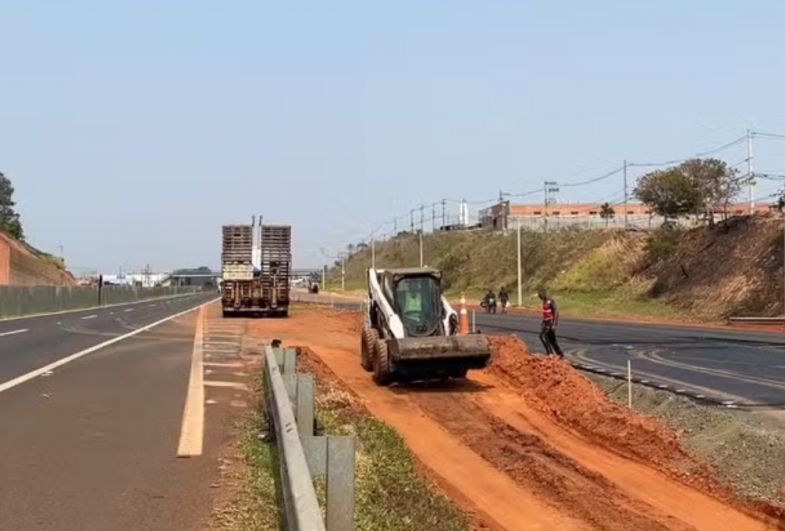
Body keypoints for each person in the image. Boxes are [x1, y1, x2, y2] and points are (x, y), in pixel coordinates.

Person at [537, 288, 563, 357]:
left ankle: (550, 354)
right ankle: (560, 354)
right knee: (552, 340)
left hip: (550, 322)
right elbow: (545, 313)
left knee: (542, 336)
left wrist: (554, 324)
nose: (540, 298)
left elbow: (556, 311)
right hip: (546, 322)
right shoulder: (544, 301)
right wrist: (543, 322)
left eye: (540, 296)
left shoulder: (550, 301)